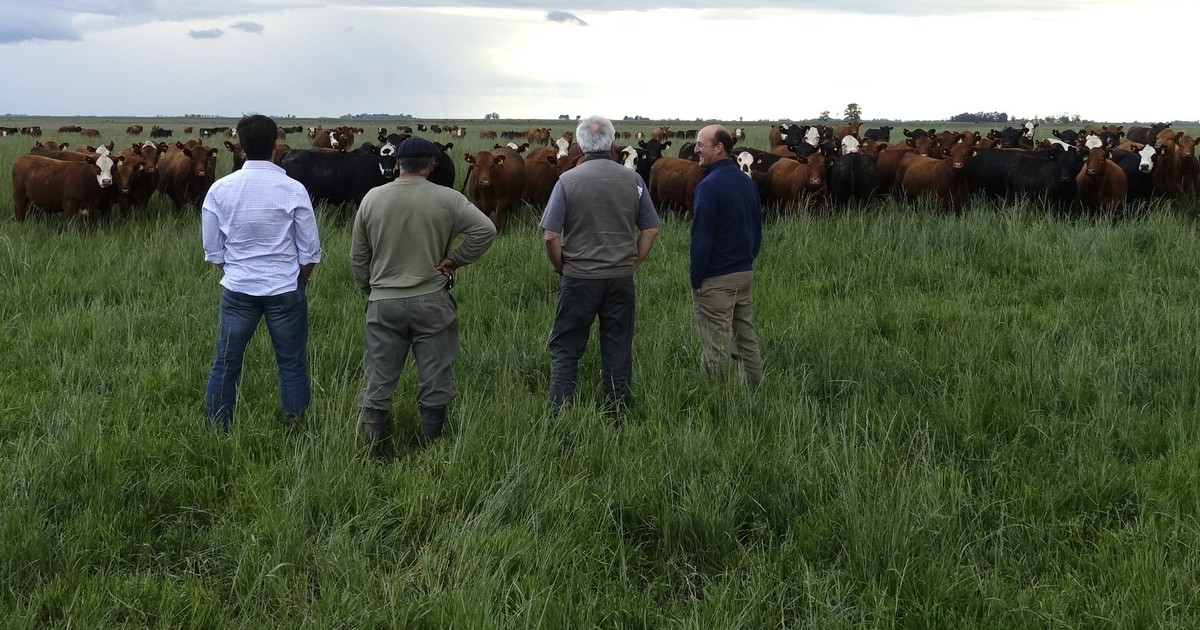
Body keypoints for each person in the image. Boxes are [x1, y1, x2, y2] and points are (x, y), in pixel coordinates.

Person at [350, 136, 497, 452]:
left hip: (383, 301)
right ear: (432, 165)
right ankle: (432, 449)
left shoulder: (372, 198)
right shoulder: (449, 198)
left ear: (397, 164)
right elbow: (486, 230)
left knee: (378, 377)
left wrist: (371, 290)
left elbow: (358, 257)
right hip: (432, 299)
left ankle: (373, 451)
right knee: (436, 377)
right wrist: (455, 259)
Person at [201, 113, 322, 430]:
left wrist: (235, 272)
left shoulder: (219, 189)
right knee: (292, 363)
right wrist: (299, 280)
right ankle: (296, 432)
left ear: (240, 147)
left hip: (238, 289)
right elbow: (310, 250)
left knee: (226, 362)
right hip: (285, 287)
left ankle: (217, 429)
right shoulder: (293, 189)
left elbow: (213, 250)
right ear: (275, 146)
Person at [541, 115, 660, 414]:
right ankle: (618, 413)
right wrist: (632, 262)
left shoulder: (566, 181)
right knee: (618, 346)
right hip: (620, 277)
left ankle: (560, 414)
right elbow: (651, 229)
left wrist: (561, 266)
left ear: (581, 145)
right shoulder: (633, 180)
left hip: (578, 277)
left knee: (566, 348)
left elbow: (551, 236)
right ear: (611, 142)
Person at [690, 124, 763, 387]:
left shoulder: (708, 186)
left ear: (719, 148)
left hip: (716, 278)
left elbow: (702, 238)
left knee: (715, 343)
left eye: (701, 144)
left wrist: (696, 278)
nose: (696, 149)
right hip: (743, 273)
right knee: (745, 338)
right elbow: (757, 228)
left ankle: (716, 400)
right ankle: (754, 393)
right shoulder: (747, 182)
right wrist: (746, 260)